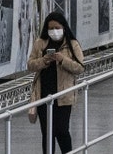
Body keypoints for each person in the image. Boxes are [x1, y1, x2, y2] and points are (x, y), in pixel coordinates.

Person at [26, 12, 85, 154]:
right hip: (43, 94)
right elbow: (30, 65)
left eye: (57, 28)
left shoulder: (72, 44)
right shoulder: (40, 43)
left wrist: (62, 60)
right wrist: (44, 60)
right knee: (47, 133)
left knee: (62, 130)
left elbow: (79, 67)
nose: (54, 31)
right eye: (50, 28)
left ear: (63, 27)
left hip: (64, 96)